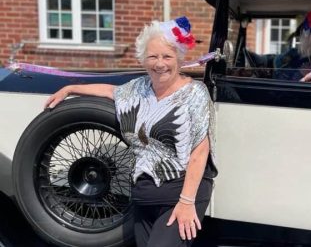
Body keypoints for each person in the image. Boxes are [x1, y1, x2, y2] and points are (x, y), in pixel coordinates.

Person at [45, 16, 217, 247]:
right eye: (153, 56)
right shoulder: (137, 89)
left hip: (180, 193)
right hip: (142, 195)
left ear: (179, 58)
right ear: (143, 60)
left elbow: (200, 150)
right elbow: (109, 90)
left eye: (167, 56)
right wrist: (71, 88)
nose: (160, 64)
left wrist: (186, 202)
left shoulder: (195, 93)